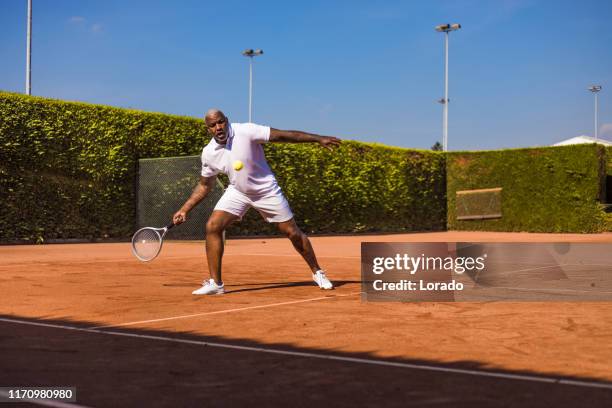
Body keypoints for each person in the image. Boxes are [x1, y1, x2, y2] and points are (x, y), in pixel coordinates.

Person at [173, 109, 342, 295]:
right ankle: (216, 283)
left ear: (226, 121)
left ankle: (317, 272)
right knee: (213, 226)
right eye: (213, 125)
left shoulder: (246, 131)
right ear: (208, 129)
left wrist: (317, 139)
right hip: (238, 191)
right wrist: (184, 209)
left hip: (266, 191)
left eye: (220, 122)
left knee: (292, 232)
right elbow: (205, 185)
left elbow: (285, 136)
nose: (218, 127)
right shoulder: (208, 153)